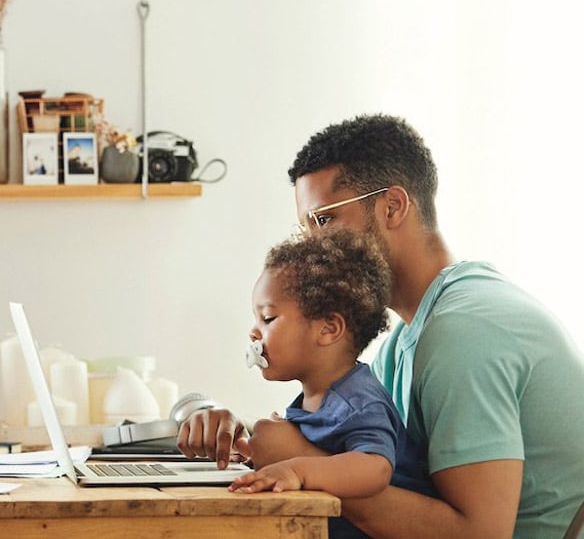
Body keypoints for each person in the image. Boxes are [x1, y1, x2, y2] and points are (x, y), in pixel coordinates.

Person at [178, 114, 584, 538]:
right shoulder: (404, 341)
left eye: (325, 220)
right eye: (305, 228)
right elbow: (374, 462)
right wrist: (246, 440)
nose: (313, 245)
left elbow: (478, 534)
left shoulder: (465, 332)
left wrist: (299, 459)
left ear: (392, 206)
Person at [229, 230, 435, 539]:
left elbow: (375, 468)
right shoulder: (317, 398)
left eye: (268, 319)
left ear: (328, 328)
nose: (254, 334)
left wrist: (296, 469)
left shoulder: (358, 401)